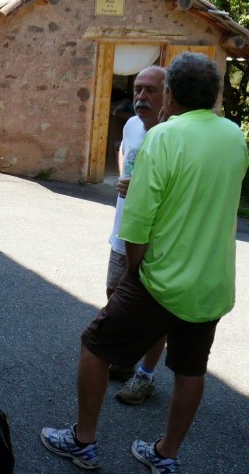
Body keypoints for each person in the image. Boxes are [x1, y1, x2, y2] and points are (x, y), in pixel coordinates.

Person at [40, 52, 248, 473]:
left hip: (160, 278)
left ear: (170, 94)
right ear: (214, 95)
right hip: (211, 283)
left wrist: (136, 270)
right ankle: (166, 455)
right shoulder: (233, 137)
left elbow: (136, 223)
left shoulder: (164, 137)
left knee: (95, 345)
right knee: (191, 369)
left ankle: (83, 440)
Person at [107, 66, 168, 406]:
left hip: (153, 240)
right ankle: (124, 358)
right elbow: (124, 150)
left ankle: (145, 375)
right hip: (121, 233)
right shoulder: (132, 125)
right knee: (114, 295)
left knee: (151, 312)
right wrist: (123, 176)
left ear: (167, 94)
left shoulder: (171, 136)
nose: (142, 97)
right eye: (138, 89)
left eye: (151, 90)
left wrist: (140, 190)